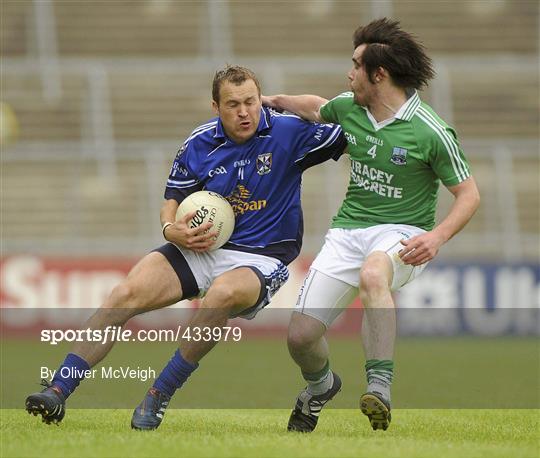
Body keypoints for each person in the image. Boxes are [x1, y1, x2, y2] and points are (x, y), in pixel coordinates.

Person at [25, 65, 347, 430]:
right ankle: (57, 389)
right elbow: (173, 198)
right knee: (122, 295)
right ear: (215, 106)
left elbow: (345, 118)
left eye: (251, 102)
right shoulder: (199, 141)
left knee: (221, 296)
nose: (244, 112)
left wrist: (285, 102)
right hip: (198, 246)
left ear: (262, 100)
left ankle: (158, 394)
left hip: (261, 255)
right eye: (232, 104)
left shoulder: (288, 132)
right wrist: (170, 229)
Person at [263, 18, 480, 432]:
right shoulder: (351, 107)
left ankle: (379, 387)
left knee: (373, 274)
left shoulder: (431, 131)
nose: (349, 74)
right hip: (347, 232)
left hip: (403, 232)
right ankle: (320, 387)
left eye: (355, 65)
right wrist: (272, 99)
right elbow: (315, 106)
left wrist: (436, 238)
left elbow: (469, 195)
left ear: (378, 74)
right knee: (301, 337)